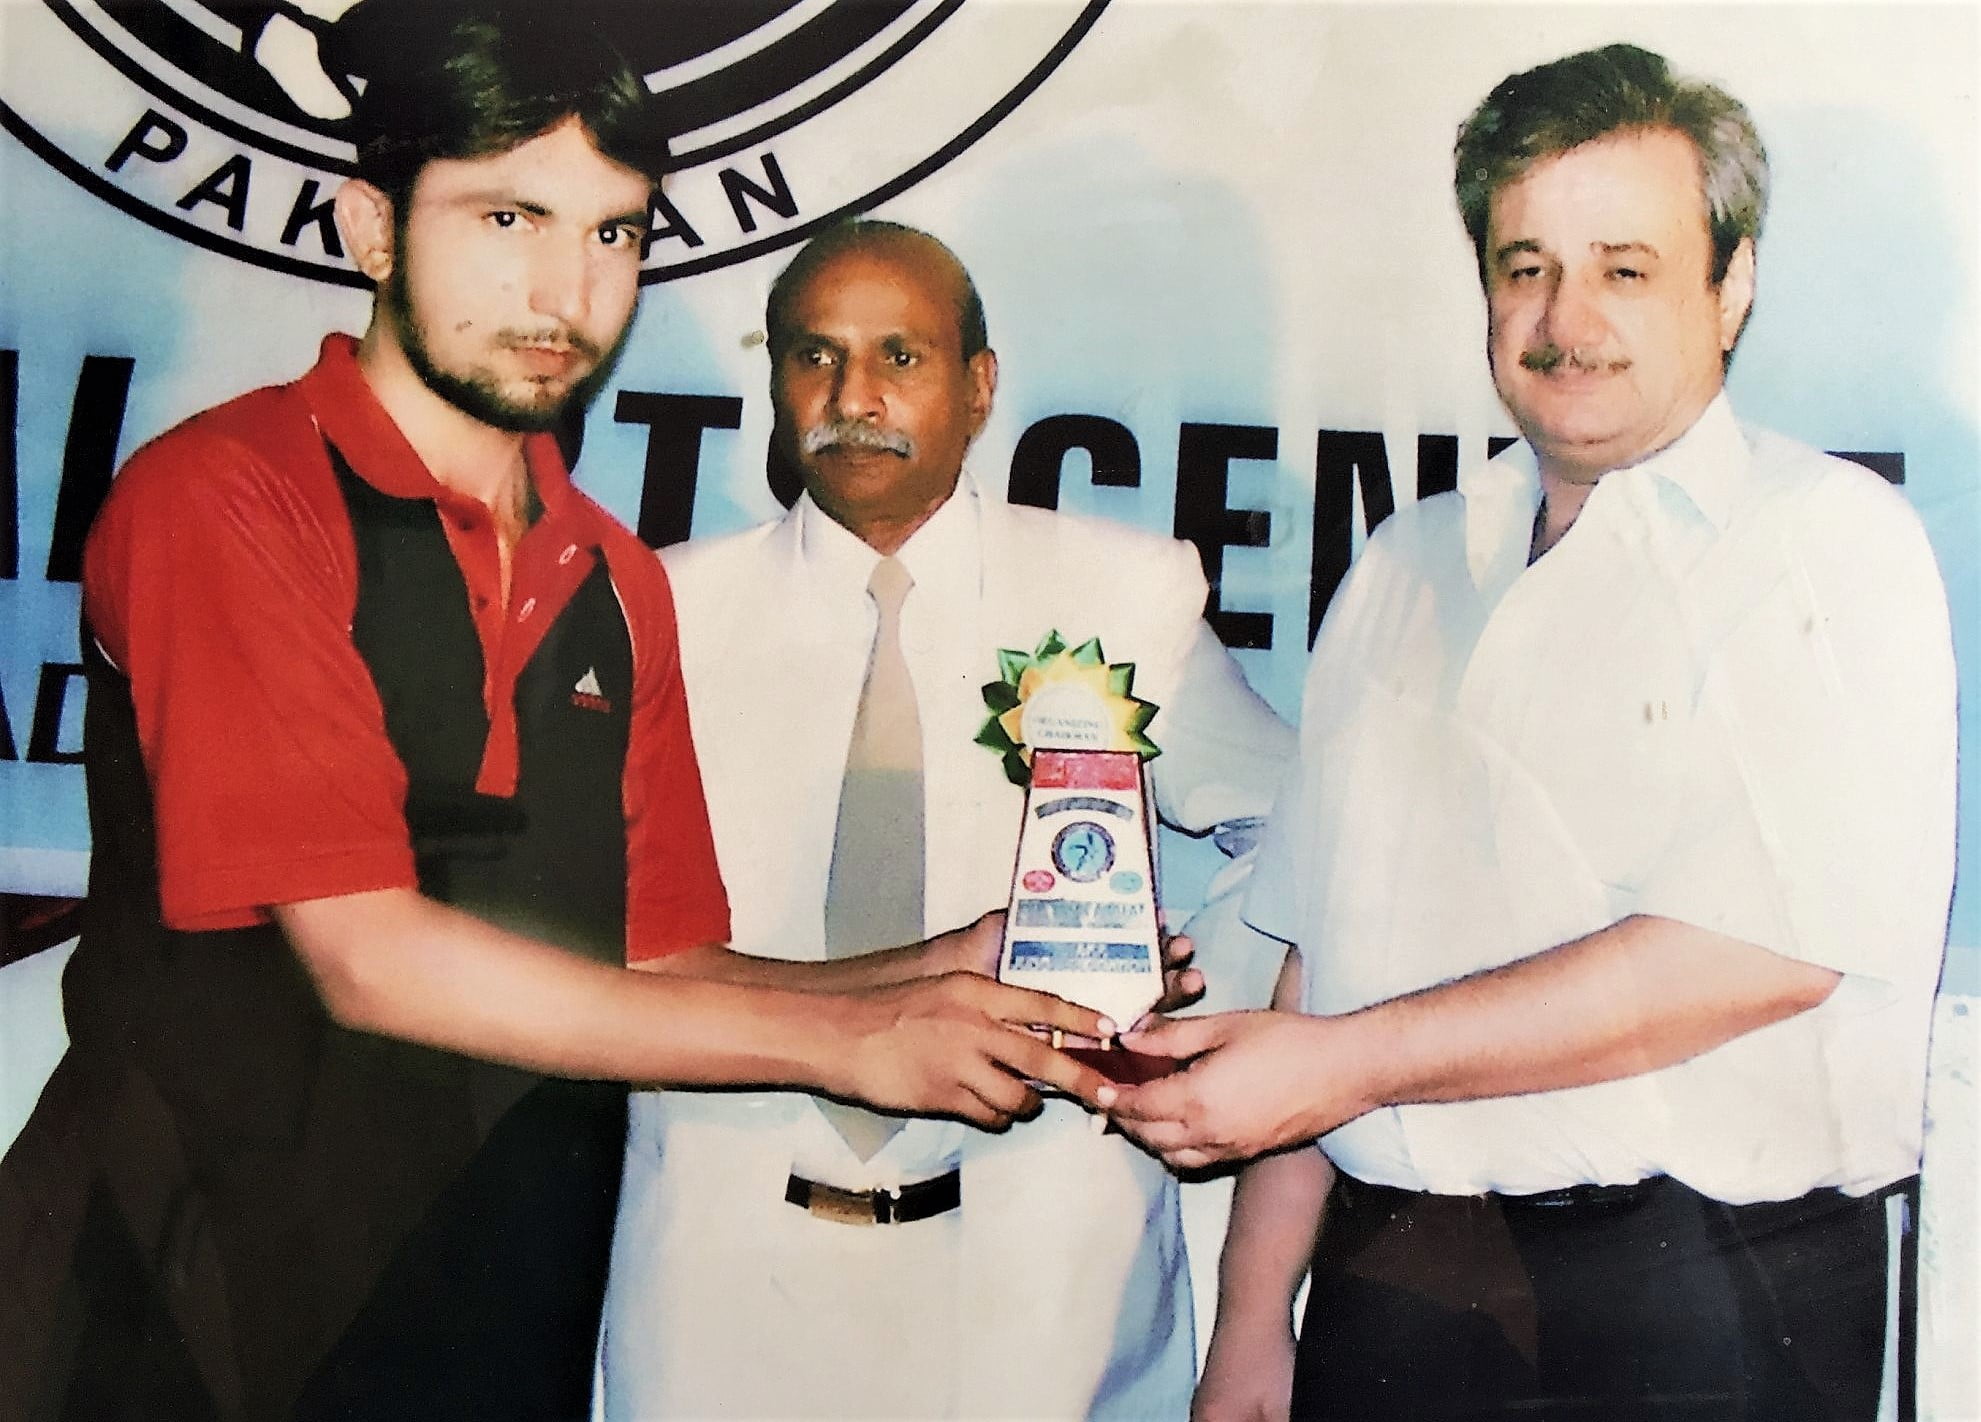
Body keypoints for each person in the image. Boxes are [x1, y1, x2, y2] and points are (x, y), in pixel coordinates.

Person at [0, 12, 1116, 1421]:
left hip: (485, 1321)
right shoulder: (227, 497)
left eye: (614, 234)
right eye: (508, 215)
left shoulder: (616, 576)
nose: (564, 288)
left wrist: (921, 972)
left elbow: (657, 965)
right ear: (370, 228)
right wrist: (846, 1041)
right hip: (181, 1320)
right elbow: (369, 955)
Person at [1112, 43, 1956, 1422]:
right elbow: (1319, 963)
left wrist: (1340, 1065)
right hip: (1397, 1274)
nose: (1564, 316)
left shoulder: (1826, 546)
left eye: (1624, 266)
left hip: (1705, 1296)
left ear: (1731, 283)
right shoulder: (1399, 564)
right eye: (1524, 266)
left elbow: (1755, 950)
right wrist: (1255, 1315)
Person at [600, 220, 1293, 1420]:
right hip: (719, 1293)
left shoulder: (1124, 591)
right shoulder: (657, 608)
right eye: (814, 358)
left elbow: (1296, 844)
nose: (852, 397)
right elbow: (598, 945)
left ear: (978, 386)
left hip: (1046, 1301)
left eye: (900, 358)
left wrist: (1153, 1005)